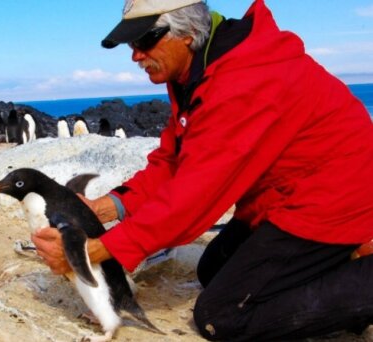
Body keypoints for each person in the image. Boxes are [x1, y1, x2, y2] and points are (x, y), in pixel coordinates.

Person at [31, 0, 373, 340]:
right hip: (282, 196)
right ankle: (338, 264)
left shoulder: (243, 81)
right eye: (131, 43)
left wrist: (90, 253)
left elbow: (194, 197)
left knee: (222, 316)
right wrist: (101, 209)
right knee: (213, 269)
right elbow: (173, 162)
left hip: (333, 202)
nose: (135, 55)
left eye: (145, 40)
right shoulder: (199, 69)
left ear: (188, 35)